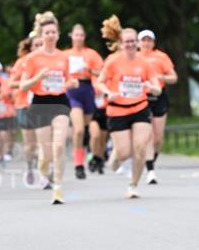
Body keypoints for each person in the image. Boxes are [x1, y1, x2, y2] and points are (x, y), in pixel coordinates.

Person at [19, 12, 78, 205]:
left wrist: (72, 83)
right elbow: (23, 86)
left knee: (59, 145)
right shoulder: (33, 58)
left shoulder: (63, 57)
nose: (51, 35)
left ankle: (58, 187)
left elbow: (66, 79)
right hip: (40, 103)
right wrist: (38, 78)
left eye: (53, 32)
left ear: (58, 34)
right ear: (41, 35)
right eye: (47, 32)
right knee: (46, 153)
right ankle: (43, 168)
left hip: (60, 101)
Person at [97, 17, 161, 198]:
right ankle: (114, 159)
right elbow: (100, 82)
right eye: (127, 42)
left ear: (137, 43)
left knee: (140, 148)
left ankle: (133, 185)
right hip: (117, 109)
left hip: (140, 107)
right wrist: (108, 92)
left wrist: (152, 88)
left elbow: (156, 86)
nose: (131, 44)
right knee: (124, 153)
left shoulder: (144, 63)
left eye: (133, 41)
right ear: (121, 43)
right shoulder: (112, 61)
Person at [137, 29, 177, 184]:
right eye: (143, 40)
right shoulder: (135, 57)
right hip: (142, 97)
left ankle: (150, 161)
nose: (146, 43)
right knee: (149, 135)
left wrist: (162, 77)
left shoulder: (161, 57)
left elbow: (174, 77)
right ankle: (150, 170)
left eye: (149, 40)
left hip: (159, 96)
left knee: (158, 138)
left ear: (153, 42)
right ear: (139, 43)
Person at [64, 23, 103, 180]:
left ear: (84, 37)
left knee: (86, 130)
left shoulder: (91, 54)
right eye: (76, 35)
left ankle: (88, 155)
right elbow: (58, 70)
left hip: (87, 89)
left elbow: (102, 72)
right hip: (72, 90)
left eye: (81, 35)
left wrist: (89, 69)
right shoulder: (65, 54)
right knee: (78, 129)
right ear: (71, 36)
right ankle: (78, 165)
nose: (79, 37)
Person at [10, 35, 44, 186]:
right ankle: (30, 166)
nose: (39, 47)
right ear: (30, 47)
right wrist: (30, 82)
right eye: (36, 45)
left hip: (44, 105)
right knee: (30, 145)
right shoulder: (22, 62)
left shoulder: (49, 61)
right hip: (25, 105)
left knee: (44, 142)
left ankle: (44, 174)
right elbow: (11, 83)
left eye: (41, 44)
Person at [0, 61, 17, 162]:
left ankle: (9, 150)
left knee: (12, 132)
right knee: (1, 132)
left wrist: (8, 96)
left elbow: (12, 94)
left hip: (10, 110)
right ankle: (0, 152)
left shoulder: (6, 81)